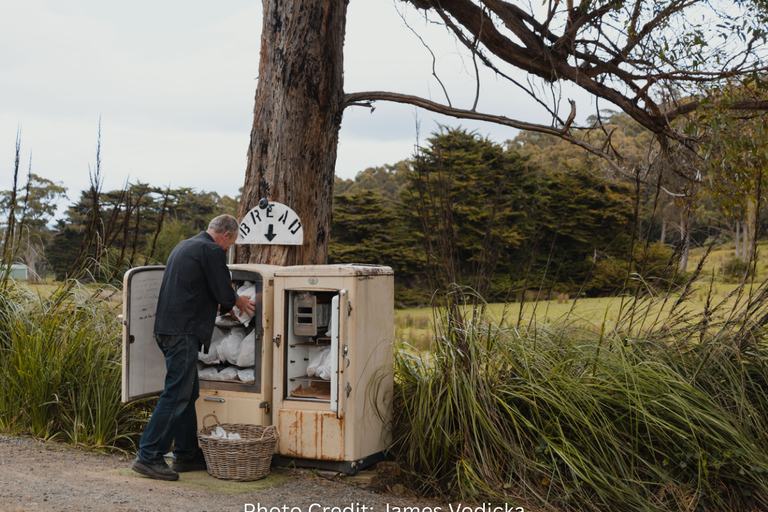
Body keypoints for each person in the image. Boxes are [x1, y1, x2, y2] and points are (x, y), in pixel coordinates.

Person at [131, 214, 255, 481]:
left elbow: (196, 287)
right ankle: (148, 455)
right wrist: (239, 302)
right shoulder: (212, 250)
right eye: (230, 243)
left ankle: (186, 454)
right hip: (183, 331)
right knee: (177, 393)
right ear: (226, 236)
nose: (228, 248)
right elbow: (224, 293)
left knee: (189, 392)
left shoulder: (184, 245)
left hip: (166, 329)